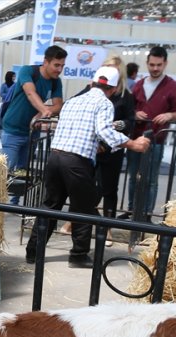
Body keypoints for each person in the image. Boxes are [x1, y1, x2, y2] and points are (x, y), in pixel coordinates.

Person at [24, 66, 150, 269]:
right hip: (76, 162)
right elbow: (104, 131)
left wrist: (94, 144)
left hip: (55, 157)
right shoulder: (104, 103)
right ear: (114, 88)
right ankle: (79, 254)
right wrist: (133, 144)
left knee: (50, 205)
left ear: (92, 83)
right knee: (82, 208)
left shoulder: (73, 101)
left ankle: (33, 251)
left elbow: (75, 129)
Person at [0, 45, 66, 204]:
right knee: (6, 170)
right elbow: (30, 93)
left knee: (23, 172)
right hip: (13, 129)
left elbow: (59, 105)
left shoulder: (56, 83)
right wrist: (44, 110)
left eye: (62, 66)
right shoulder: (27, 71)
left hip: (32, 132)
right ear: (45, 62)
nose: (59, 69)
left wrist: (41, 113)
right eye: (56, 65)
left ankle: (14, 204)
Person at [127, 46, 176, 218]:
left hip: (156, 140)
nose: (155, 68)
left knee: (151, 180)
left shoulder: (172, 86)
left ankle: (147, 213)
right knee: (133, 177)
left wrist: (169, 115)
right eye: (152, 65)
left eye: (159, 65)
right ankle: (131, 211)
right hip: (136, 139)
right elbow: (129, 109)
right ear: (147, 63)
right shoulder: (138, 85)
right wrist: (134, 114)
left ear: (165, 63)